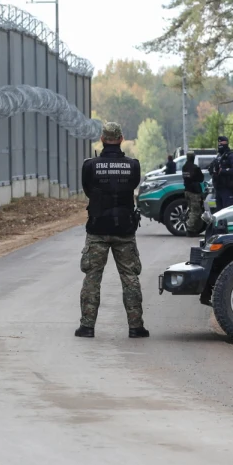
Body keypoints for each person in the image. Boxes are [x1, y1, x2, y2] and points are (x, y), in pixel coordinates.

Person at [76, 121, 149, 339]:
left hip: (98, 228)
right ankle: (136, 327)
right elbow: (133, 185)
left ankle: (87, 327)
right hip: (125, 229)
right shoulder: (133, 166)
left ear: (101, 139)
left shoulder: (90, 166)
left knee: (92, 277)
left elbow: (89, 191)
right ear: (121, 139)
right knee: (130, 277)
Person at [208, 136, 233, 210]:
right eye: (219, 143)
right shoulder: (218, 156)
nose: (220, 145)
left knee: (228, 211)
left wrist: (223, 171)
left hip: (227, 188)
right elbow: (212, 168)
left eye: (221, 143)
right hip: (218, 188)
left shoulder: (231, 156)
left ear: (226, 143)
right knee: (219, 213)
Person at [182, 152, 206, 235]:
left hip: (187, 191)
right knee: (196, 211)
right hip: (194, 192)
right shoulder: (195, 168)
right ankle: (189, 227)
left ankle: (194, 229)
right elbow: (201, 178)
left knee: (192, 210)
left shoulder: (184, 167)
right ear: (193, 158)